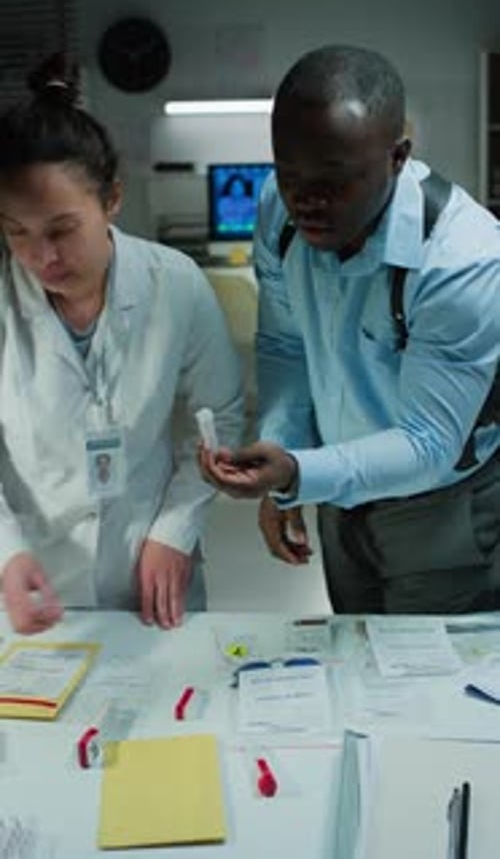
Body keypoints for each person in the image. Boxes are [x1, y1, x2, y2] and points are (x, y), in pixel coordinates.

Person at [200, 44, 500, 615]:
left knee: (436, 691)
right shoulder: (276, 210)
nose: (307, 200)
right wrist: (287, 452)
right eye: (290, 174)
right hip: (341, 499)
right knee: (359, 672)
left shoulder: (461, 259)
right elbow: (286, 344)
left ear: (398, 157)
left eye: (336, 178)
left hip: (438, 508)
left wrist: (300, 472)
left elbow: (430, 442)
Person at [0, 54, 243, 634]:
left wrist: (174, 531)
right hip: (34, 584)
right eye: (16, 234)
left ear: (111, 199)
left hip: (149, 568)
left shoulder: (175, 283)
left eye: (61, 230)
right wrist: (8, 552)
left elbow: (221, 418)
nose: (43, 259)